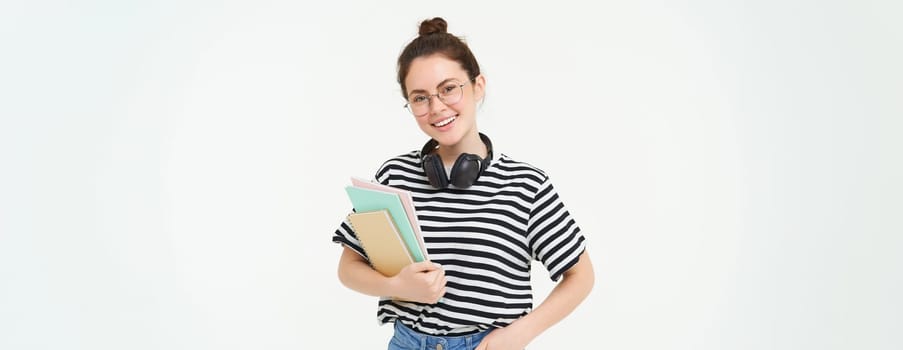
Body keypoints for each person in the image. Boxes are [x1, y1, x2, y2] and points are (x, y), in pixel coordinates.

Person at [333, 17, 594, 350]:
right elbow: (348, 268)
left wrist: (520, 333)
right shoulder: (393, 176)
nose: (437, 107)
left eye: (449, 88)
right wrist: (399, 285)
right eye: (420, 97)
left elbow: (581, 276)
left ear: (478, 86)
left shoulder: (526, 185)